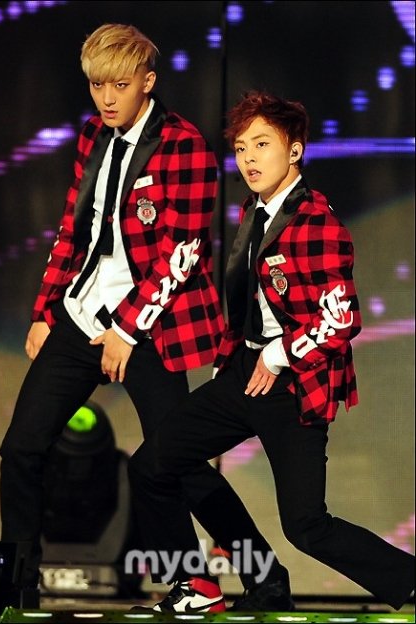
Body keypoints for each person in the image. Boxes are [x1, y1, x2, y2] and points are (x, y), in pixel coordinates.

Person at [0, 27, 292, 609]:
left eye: (119, 85)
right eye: (96, 85)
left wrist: (127, 330)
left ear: (147, 83)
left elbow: (183, 253)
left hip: (153, 325)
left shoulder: (184, 147)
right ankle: (16, 587)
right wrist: (44, 310)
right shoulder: (92, 135)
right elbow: (73, 229)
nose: (107, 98)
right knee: (22, 450)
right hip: (82, 314)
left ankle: (256, 576)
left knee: (173, 459)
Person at [129, 90, 415, 613]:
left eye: (262, 144)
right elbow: (248, 301)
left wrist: (280, 353)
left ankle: (408, 579)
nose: (249, 159)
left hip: (293, 385)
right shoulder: (253, 211)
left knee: (306, 525)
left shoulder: (317, 223)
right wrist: (233, 358)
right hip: (244, 370)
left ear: (295, 150)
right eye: (241, 148)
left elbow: (342, 319)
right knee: (153, 463)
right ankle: (208, 583)